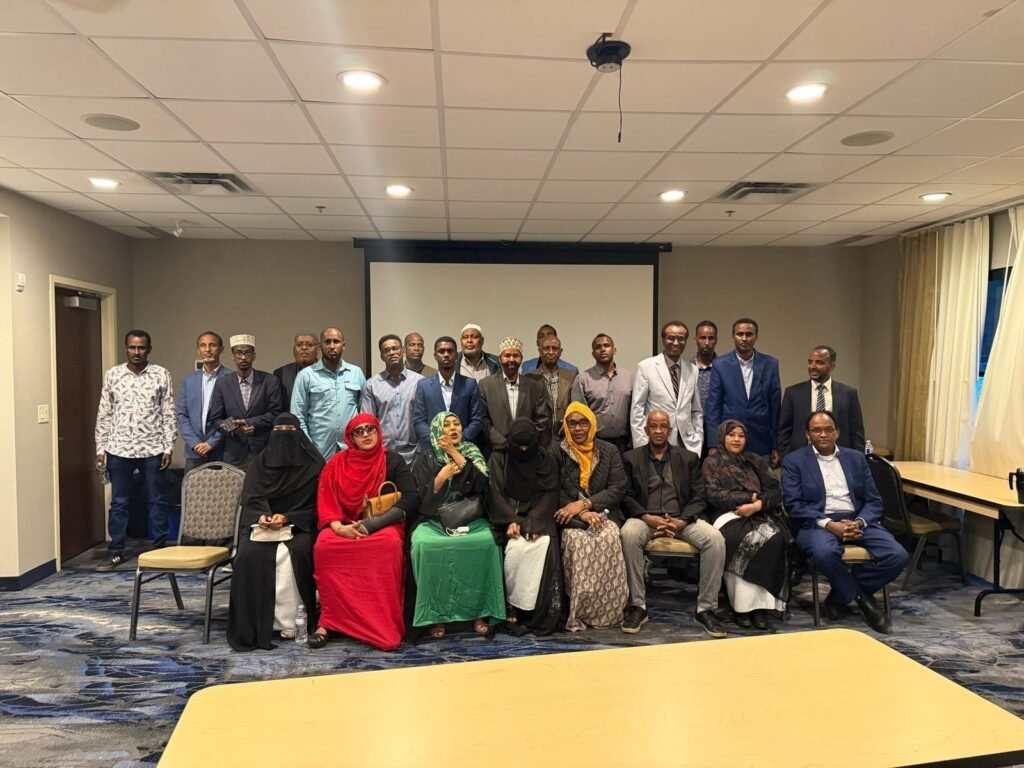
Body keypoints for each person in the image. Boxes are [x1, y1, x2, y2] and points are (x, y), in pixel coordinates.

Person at [782, 411, 909, 634]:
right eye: (817, 430)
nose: (823, 434)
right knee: (824, 553)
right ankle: (862, 599)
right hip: (817, 522)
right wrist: (829, 524)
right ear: (808, 434)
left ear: (837, 433)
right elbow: (794, 505)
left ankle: (840, 595)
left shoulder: (856, 458)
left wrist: (859, 522)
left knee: (897, 555)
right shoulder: (794, 461)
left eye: (828, 430)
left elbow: (874, 501)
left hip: (856, 519)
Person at [308, 413, 420, 650]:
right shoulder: (336, 464)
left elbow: (411, 498)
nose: (366, 435)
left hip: (381, 525)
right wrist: (340, 528)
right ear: (351, 438)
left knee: (389, 545)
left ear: (378, 431)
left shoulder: (392, 460)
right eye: (359, 432)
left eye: (370, 429)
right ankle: (328, 621)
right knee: (324, 546)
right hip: (343, 524)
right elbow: (326, 501)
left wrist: (371, 525)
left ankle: (383, 621)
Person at [620, 411, 727, 638]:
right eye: (653, 426)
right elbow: (625, 496)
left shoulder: (688, 458)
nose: (658, 431)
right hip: (646, 519)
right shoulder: (631, 458)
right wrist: (646, 517)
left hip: (681, 519)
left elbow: (699, 496)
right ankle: (638, 606)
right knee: (629, 534)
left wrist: (682, 521)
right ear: (646, 430)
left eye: (663, 426)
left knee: (715, 539)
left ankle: (705, 609)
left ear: (670, 430)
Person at [227, 413, 324, 652]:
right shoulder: (259, 464)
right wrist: (261, 516)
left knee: (294, 554)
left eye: (289, 432)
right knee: (248, 554)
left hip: (299, 527)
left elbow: (317, 506)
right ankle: (257, 622)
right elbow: (250, 501)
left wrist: (288, 517)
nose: (283, 438)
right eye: (278, 431)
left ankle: (293, 621)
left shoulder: (314, 466)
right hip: (262, 527)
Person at [410, 412, 506, 638]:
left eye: (457, 423)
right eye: (447, 425)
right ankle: (435, 615)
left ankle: (480, 612)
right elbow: (419, 502)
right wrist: (439, 479)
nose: (453, 428)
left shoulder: (472, 452)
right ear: (437, 430)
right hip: (434, 520)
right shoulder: (426, 458)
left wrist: (455, 454)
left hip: (470, 519)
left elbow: (483, 488)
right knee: (423, 544)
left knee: (488, 542)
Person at [94, 330, 176, 571]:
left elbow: (168, 412)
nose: (136, 352)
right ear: (126, 348)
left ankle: (160, 549)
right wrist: (100, 448)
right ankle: (116, 551)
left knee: (157, 500)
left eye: (141, 348)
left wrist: (168, 446)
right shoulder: (113, 375)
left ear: (149, 349)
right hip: (119, 449)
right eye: (132, 347)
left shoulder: (161, 374)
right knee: (119, 502)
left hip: (153, 448)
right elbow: (104, 412)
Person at [702, 419, 790, 631]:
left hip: (759, 513)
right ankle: (741, 607)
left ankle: (761, 608)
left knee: (774, 539)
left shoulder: (754, 460)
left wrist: (757, 505)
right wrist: (748, 497)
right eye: (731, 435)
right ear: (722, 437)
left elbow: (774, 491)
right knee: (739, 540)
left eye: (741, 436)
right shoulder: (712, 462)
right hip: (726, 515)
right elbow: (713, 495)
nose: (737, 439)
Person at [553, 402, 629, 631]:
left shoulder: (609, 450)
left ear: (592, 424)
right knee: (577, 542)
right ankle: (578, 611)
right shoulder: (557, 451)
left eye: (583, 422)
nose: (578, 428)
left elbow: (618, 487)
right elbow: (552, 488)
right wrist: (582, 513)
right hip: (571, 518)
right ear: (566, 426)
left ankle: (607, 611)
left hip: (605, 513)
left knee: (609, 537)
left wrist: (587, 503)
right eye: (572, 423)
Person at [488, 418, 565, 635]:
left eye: (527, 446)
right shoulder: (500, 457)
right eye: (518, 446)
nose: (523, 450)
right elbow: (495, 492)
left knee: (543, 544)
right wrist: (511, 520)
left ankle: (535, 609)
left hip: (538, 517)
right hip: (507, 516)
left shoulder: (545, 458)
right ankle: (512, 604)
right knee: (515, 550)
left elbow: (550, 492)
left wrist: (533, 522)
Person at [705, 318, 781, 467]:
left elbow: (775, 408)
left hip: (761, 442)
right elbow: (713, 407)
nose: (744, 338)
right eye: (740, 334)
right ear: (733, 337)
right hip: (729, 442)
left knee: (761, 481)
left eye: (749, 334)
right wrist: (713, 444)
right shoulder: (720, 364)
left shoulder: (770, 364)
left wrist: (776, 445)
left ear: (756, 336)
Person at [207, 334, 283, 471]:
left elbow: (276, 413)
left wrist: (250, 422)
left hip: (263, 451)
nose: (243, 357)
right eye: (239, 353)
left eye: (247, 353)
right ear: (233, 356)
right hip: (234, 453)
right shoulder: (223, 383)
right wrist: (234, 428)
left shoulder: (269, 381)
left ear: (254, 356)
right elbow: (216, 419)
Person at [292, 327, 366, 460]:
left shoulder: (356, 373)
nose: (332, 346)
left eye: (336, 341)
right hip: (319, 451)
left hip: (352, 448)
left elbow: (364, 412)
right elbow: (298, 415)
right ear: (320, 346)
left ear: (343, 345)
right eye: (327, 342)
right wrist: (309, 447)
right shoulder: (306, 375)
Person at [630, 320, 703, 454]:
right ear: (663, 340)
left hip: (687, 444)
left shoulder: (692, 369)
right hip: (655, 442)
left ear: (686, 341)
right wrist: (642, 446)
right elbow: (637, 409)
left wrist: (697, 438)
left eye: (680, 338)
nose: (676, 342)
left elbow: (696, 411)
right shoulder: (646, 367)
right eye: (671, 338)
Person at [778, 345, 865, 457]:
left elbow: (856, 432)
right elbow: (784, 431)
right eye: (810, 362)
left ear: (832, 366)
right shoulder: (793, 393)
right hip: (802, 458)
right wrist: (787, 458)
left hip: (838, 458)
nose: (812, 366)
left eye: (819, 362)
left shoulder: (848, 394)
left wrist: (857, 461)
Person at [478, 336, 551, 453]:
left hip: (526, 452)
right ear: (500, 359)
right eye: (507, 355)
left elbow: (541, 420)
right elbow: (483, 420)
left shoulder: (533, 386)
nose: (511, 359)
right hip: (496, 452)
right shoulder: (486, 385)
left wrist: (526, 442)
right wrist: (503, 443)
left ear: (521, 359)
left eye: (515, 355)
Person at [359, 334, 423, 466]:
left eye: (395, 348)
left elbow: (425, 419)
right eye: (387, 350)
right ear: (382, 356)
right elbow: (368, 423)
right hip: (383, 456)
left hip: (414, 456)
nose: (392, 352)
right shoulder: (371, 385)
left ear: (403, 350)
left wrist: (420, 450)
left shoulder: (420, 382)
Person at [175, 331, 233, 472]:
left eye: (212, 345)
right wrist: (195, 443)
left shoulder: (232, 378)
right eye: (203, 345)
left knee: (222, 487)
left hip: (222, 450)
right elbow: (181, 415)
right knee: (191, 486)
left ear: (221, 349)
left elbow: (233, 417)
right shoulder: (188, 380)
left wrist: (212, 442)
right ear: (198, 350)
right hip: (194, 452)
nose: (207, 349)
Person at [413, 335, 483, 450]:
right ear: (435, 356)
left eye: (450, 351)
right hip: (433, 450)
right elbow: (419, 421)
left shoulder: (470, 384)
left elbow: (477, 420)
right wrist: (437, 441)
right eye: (441, 351)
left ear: (456, 355)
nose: (446, 354)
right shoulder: (423, 386)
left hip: (462, 449)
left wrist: (459, 441)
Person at [571, 333, 633, 453]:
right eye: (598, 347)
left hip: (625, 445)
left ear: (614, 350)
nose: (603, 349)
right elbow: (579, 414)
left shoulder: (629, 377)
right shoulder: (583, 379)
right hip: (595, 443)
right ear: (593, 353)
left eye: (606, 345)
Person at [526, 335, 576, 444]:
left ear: (560, 352)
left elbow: (577, 405)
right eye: (546, 348)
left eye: (555, 348)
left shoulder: (572, 376)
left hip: (566, 439)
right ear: (540, 351)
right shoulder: (529, 378)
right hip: (539, 439)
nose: (551, 352)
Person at [273, 333, 319, 410]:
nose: (304, 348)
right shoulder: (281, 373)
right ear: (294, 350)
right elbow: (277, 408)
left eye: (309, 345)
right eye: (299, 345)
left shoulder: (327, 372)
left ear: (318, 349)